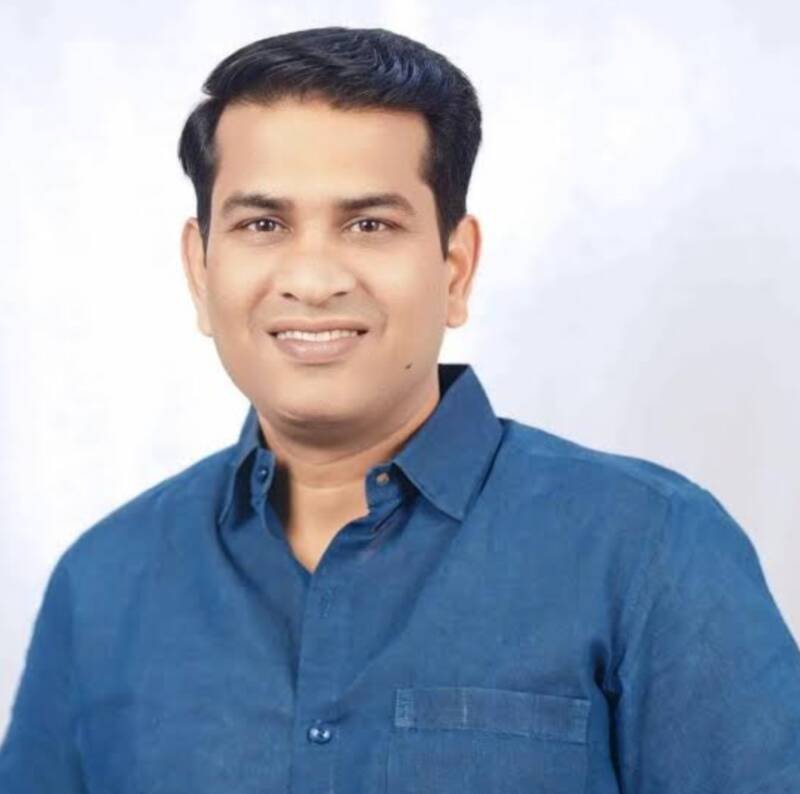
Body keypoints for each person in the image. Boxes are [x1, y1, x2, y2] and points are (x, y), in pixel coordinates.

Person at [1, 25, 798, 794]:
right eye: (263, 223)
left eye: (369, 223)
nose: (313, 280)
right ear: (200, 269)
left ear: (455, 268)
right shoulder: (103, 582)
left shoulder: (652, 549)